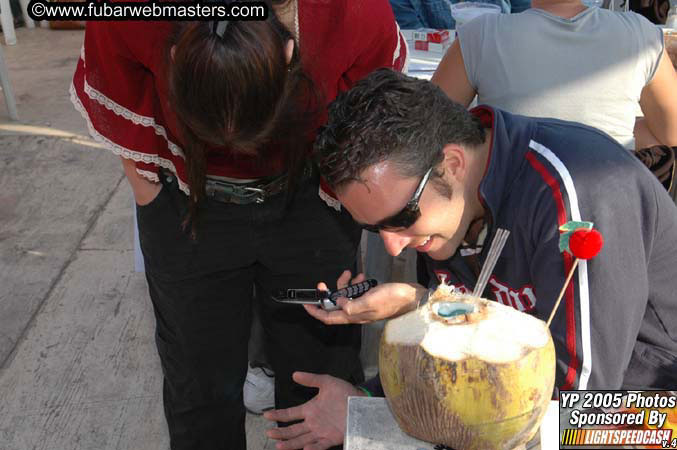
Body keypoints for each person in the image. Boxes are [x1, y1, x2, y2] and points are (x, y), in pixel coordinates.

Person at [264, 69, 677, 449]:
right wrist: (415, 312)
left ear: (453, 163)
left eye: (401, 219)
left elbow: (577, 417)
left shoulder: (576, 192)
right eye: (375, 229)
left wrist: (370, 420)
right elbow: (472, 355)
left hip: (652, 413)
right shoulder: (450, 208)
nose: (392, 248)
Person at [70, 2, 407, 448]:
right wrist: (148, 195)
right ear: (174, 59)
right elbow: (116, 84)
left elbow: (373, 108)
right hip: (185, 203)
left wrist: (348, 207)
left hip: (311, 197)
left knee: (319, 376)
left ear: (289, 54)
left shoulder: (351, 10)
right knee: (198, 386)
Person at [430, 0, 677, 151]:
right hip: (609, 212)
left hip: (512, 215)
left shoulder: (480, 36)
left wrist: (492, 136)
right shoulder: (641, 35)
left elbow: (429, 132)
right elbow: (671, 134)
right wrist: (614, 128)